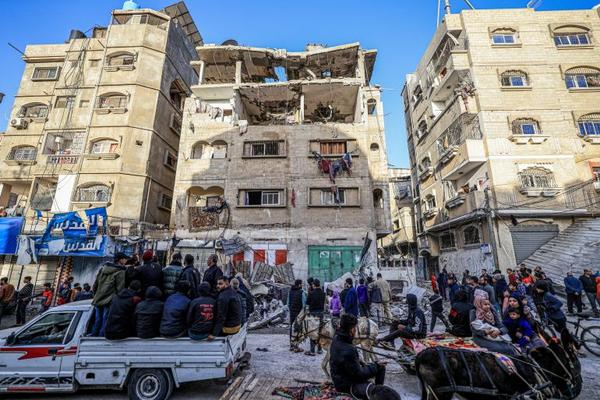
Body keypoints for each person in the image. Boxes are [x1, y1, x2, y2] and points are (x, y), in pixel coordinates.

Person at [330, 314, 389, 400]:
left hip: (339, 377)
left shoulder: (336, 338)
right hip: (347, 385)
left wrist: (360, 362)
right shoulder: (349, 349)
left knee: (375, 366)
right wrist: (375, 366)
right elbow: (359, 375)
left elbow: (346, 362)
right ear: (352, 330)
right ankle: (375, 394)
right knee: (381, 367)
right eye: (355, 328)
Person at [91, 252, 128, 337]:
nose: (126, 261)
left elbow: (95, 285)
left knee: (98, 320)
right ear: (120, 260)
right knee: (105, 320)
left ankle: (94, 337)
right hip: (109, 300)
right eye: (125, 259)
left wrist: (96, 295)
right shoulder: (120, 271)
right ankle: (101, 339)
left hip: (98, 298)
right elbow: (120, 289)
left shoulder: (103, 268)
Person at [305, 278, 325, 356]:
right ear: (319, 284)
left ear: (314, 285)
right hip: (321, 313)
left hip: (313, 314)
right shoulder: (323, 293)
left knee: (312, 332)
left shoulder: (311, 293)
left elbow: (307, 303)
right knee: (320, 331)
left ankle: (312, 350)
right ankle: (319, 349)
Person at [287, 279, 306, 351]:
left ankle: (291, 344)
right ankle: (296, 345)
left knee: (291, 327)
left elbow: (288, 303)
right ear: (299, 284)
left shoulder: (290, 292)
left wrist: (291, 310)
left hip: (292, 312)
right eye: (302, 284)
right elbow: (304, 305)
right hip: (299, 313)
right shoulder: (302, 292)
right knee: (298, 328)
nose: (302, 285)